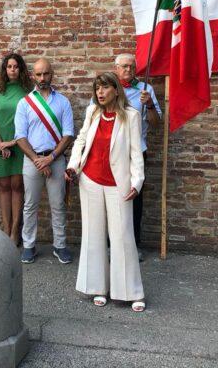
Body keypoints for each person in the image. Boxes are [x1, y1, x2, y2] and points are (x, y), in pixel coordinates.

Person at [65, 72, 145, 311]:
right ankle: (98, 288)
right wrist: (72, 166)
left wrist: (137, 182)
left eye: (105, 87)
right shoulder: (92, 112)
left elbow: (136, 152)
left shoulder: (131, 116)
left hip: (118, 183)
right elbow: (81, 141)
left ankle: (130, 291)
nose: (100, 92)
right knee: (93, 235)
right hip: (90, 180)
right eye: (97, 88)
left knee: (122, 237)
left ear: (116, 90)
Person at [14, 58, 75, 264]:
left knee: (58, 205)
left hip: (55, 159)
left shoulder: (63, 102)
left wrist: (50, 158)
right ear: (33, 76)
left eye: (46, 73)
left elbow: (68, 134)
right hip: (32, 160)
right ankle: (29, 245)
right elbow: (20, 137)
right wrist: (37, 160)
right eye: (38, 74)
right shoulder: (24, 103)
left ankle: (60, 245)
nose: (42, 78)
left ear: (52, 74)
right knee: (30, 205)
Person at [112, 53, 161, 258]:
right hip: (112, 151)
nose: (128, 70)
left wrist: (149, 105)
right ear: (116, 68)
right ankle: (112, 245)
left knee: (134, 199)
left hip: (136, 152)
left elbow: (156, 124)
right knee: (112, 198)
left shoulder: (145, 89)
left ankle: (133, 246)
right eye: (124, 66)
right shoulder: (107, 87)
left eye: (132, 66)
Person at [0, 53, 31, 244]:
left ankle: (15, 231)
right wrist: (0, 143)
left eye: (16, 66)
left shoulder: (28, 90)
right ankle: (6, 229)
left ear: (21, 69)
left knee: (17, 186)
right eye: (9, 66)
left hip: (20, 144)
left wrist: (12, 143)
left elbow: (31, 121)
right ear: (5, 69)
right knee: (4, 186)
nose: (12, 70)